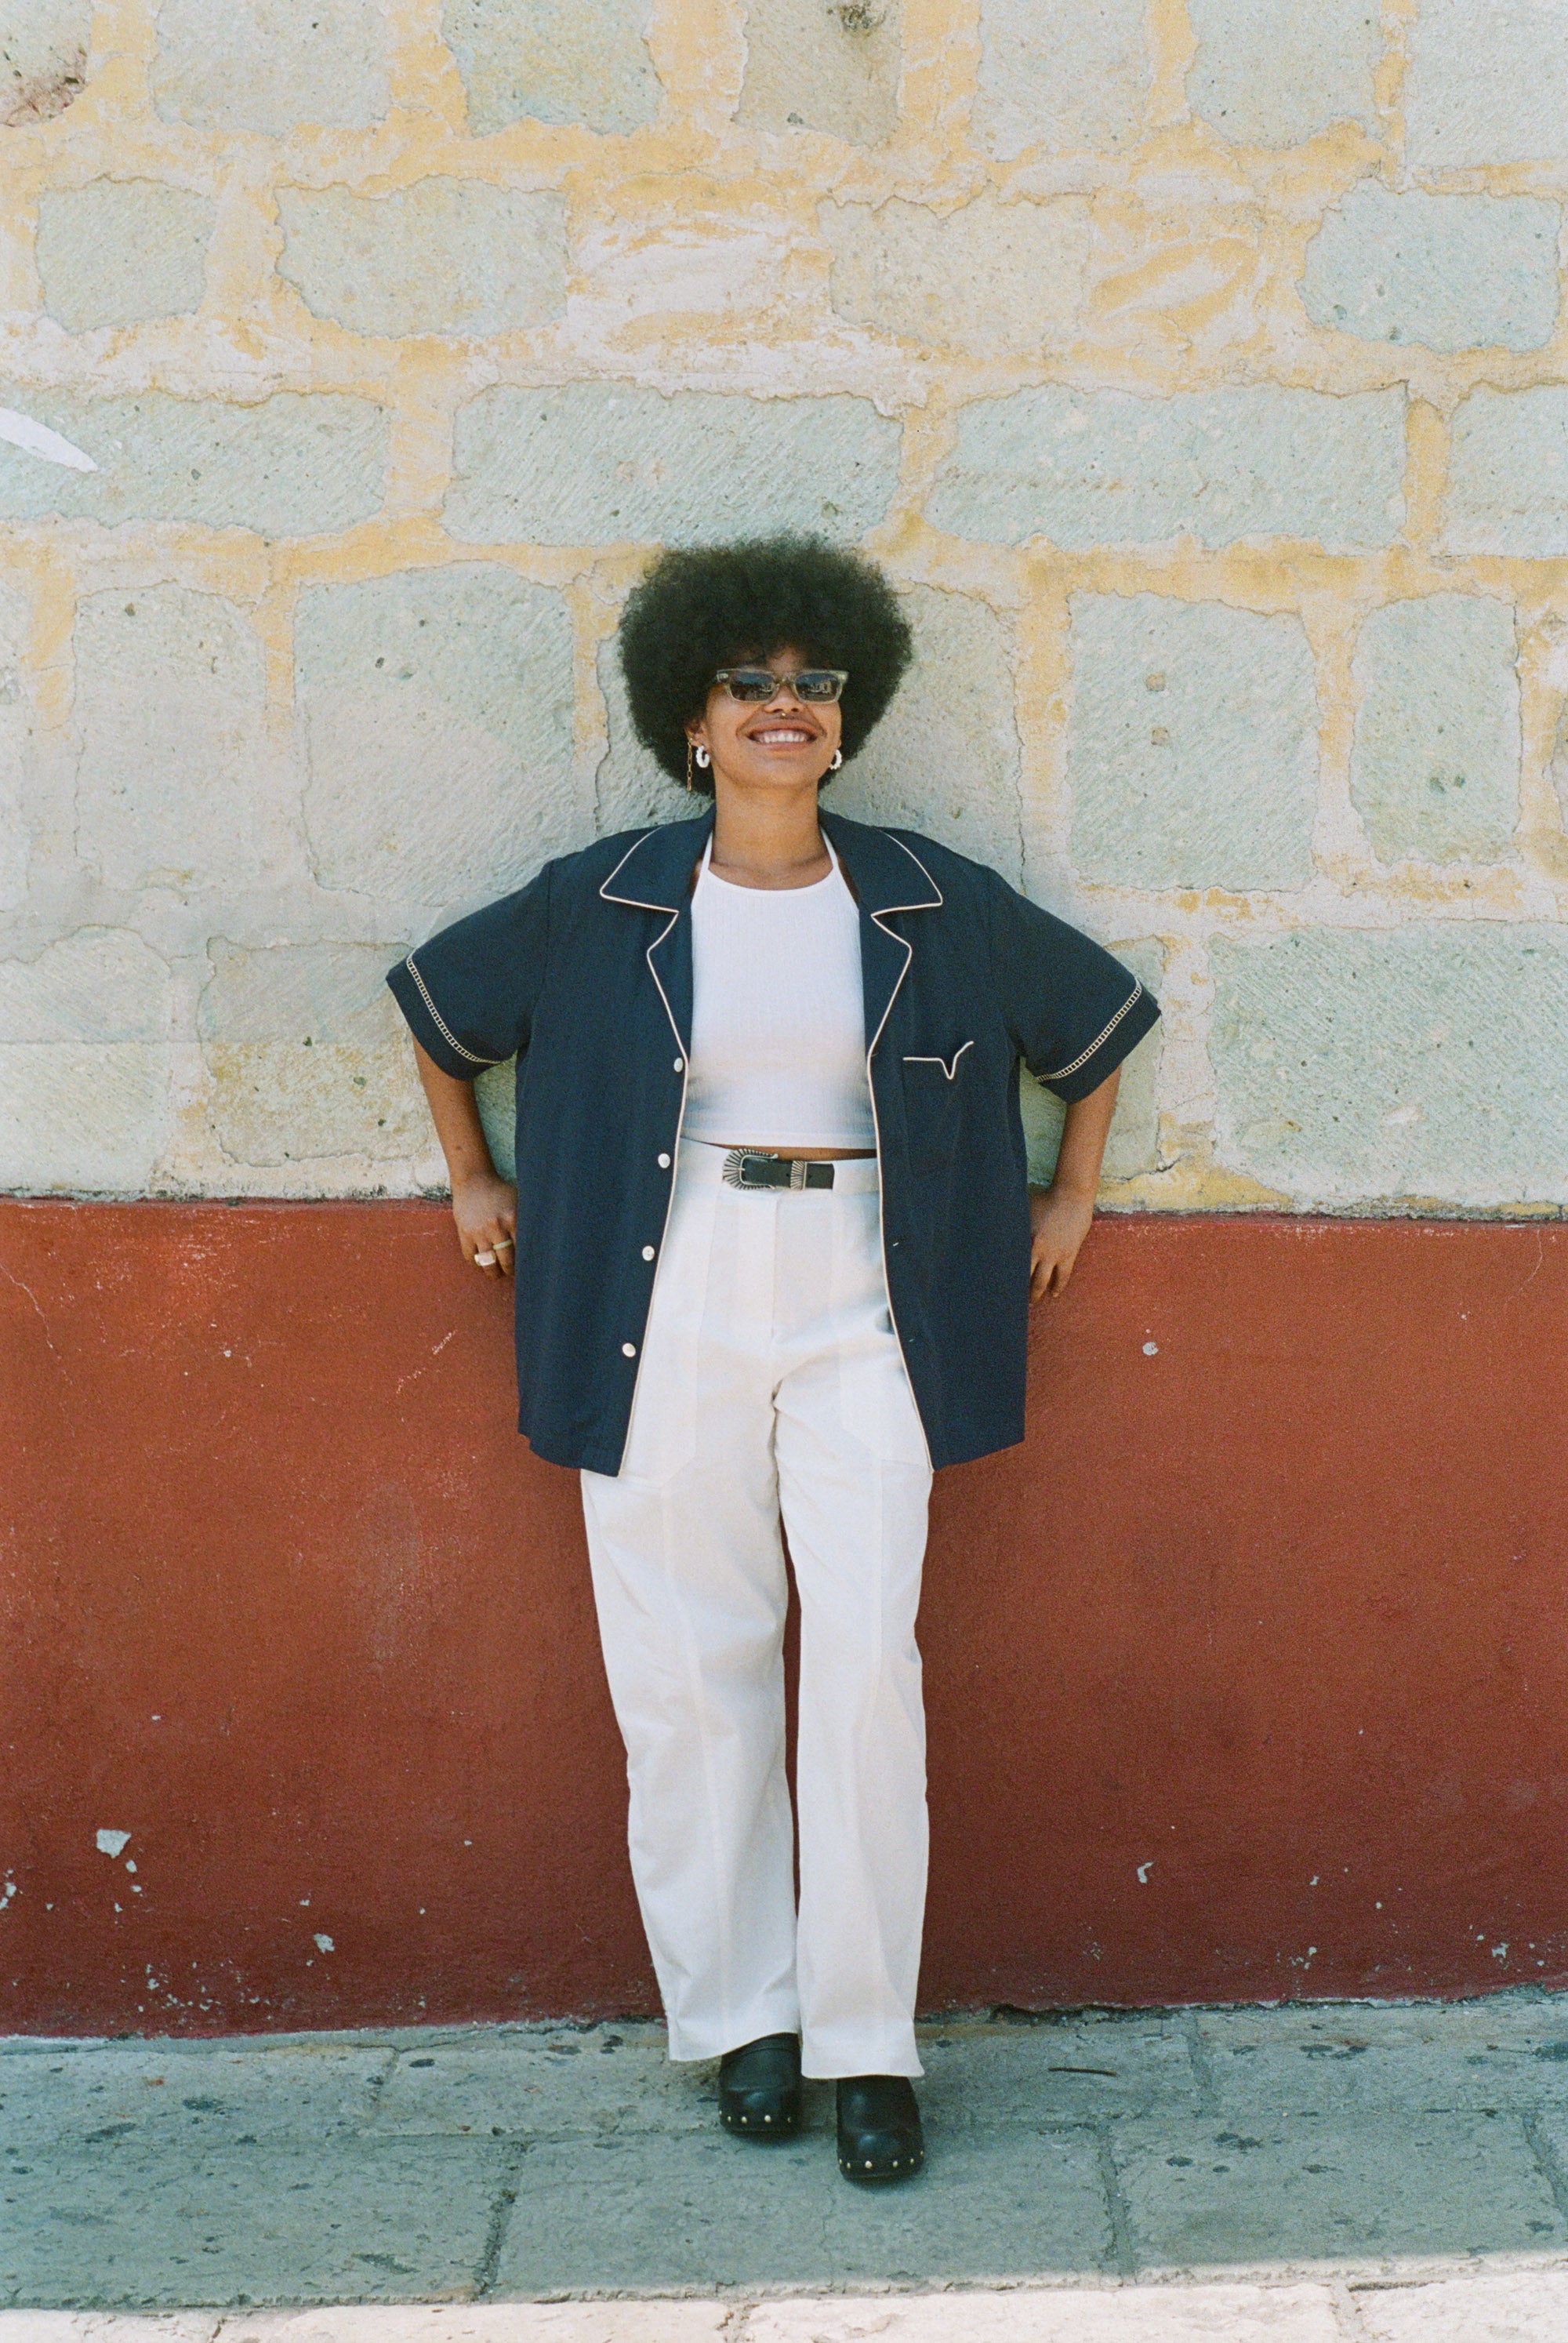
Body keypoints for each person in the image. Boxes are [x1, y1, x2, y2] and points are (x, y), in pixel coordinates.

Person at [387, 535, 1158, 2185]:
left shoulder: (925, 894)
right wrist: (469, 1171)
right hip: (658, 1294)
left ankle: (870, 2039)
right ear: (693, 718)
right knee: (689, 1670)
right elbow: (443, 1015)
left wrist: (1074, 1189)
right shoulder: (601, 900)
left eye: (812, 685)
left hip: (867, 1293)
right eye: (751, 685)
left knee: (867, 1657)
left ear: (846, 713)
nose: (783, 708)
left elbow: (1092, 1021)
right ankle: (745, 2017)